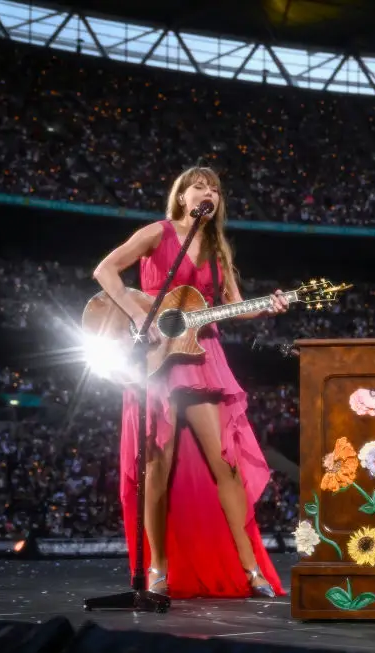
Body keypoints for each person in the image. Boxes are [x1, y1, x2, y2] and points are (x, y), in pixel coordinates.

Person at [92, 166, 287, 599]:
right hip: (157, 358)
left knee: (226, 464)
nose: (209, 193)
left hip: (204, 358)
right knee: (156, 467)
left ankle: (250, 569)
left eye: (216, 188)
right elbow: (105, 271)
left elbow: (235, 307)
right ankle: (158, 569)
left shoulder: (218, 251)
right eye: (200, 186)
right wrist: (139, 314)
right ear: (182, 196)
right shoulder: (157, 234)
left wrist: (267, 306)